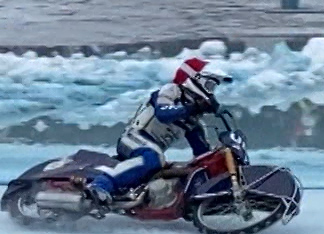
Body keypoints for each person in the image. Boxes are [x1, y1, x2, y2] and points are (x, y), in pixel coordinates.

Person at [85, 57, 231, 211]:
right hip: (134, 138)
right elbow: (163, 113)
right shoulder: (171, 91)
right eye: (210, 85)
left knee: (183, 168)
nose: (211, 92)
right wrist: (191, 108)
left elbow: (202, 153)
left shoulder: (193, 120)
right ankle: (100, 185)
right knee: (152, 158)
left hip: (152, 147)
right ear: (196, 79)